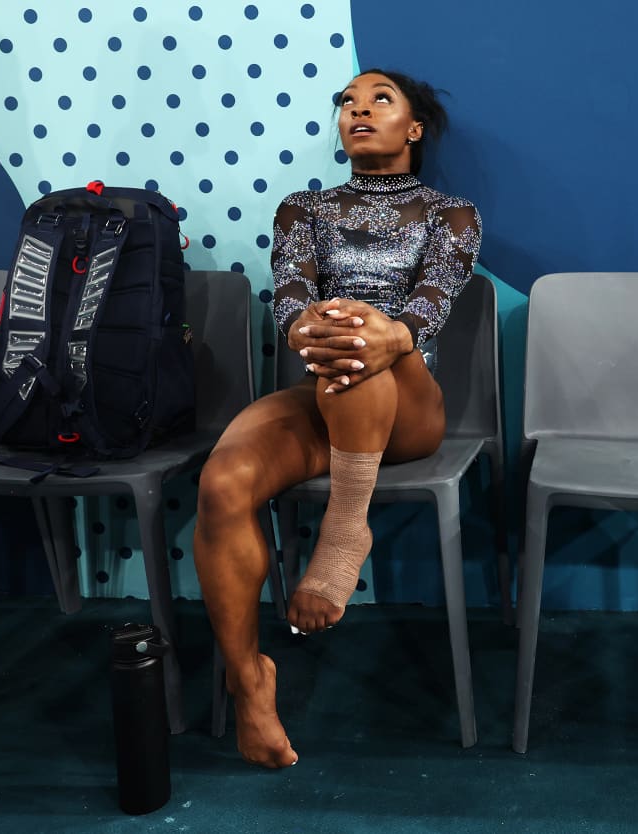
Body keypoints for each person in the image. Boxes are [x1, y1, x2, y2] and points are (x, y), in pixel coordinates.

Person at [193, 68, 481, 768]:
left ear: (413, 128)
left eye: (379, 100)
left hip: (411, 404)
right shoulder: (303, 209)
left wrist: (386, 333)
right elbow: (288, 298)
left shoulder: (452, 214)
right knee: (223, 484)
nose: (358, 110)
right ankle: (249, 681)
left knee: (358, 329)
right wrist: (308, 330)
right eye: (347, 103)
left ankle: (345, 529)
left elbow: (435, 300)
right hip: (325, 381)